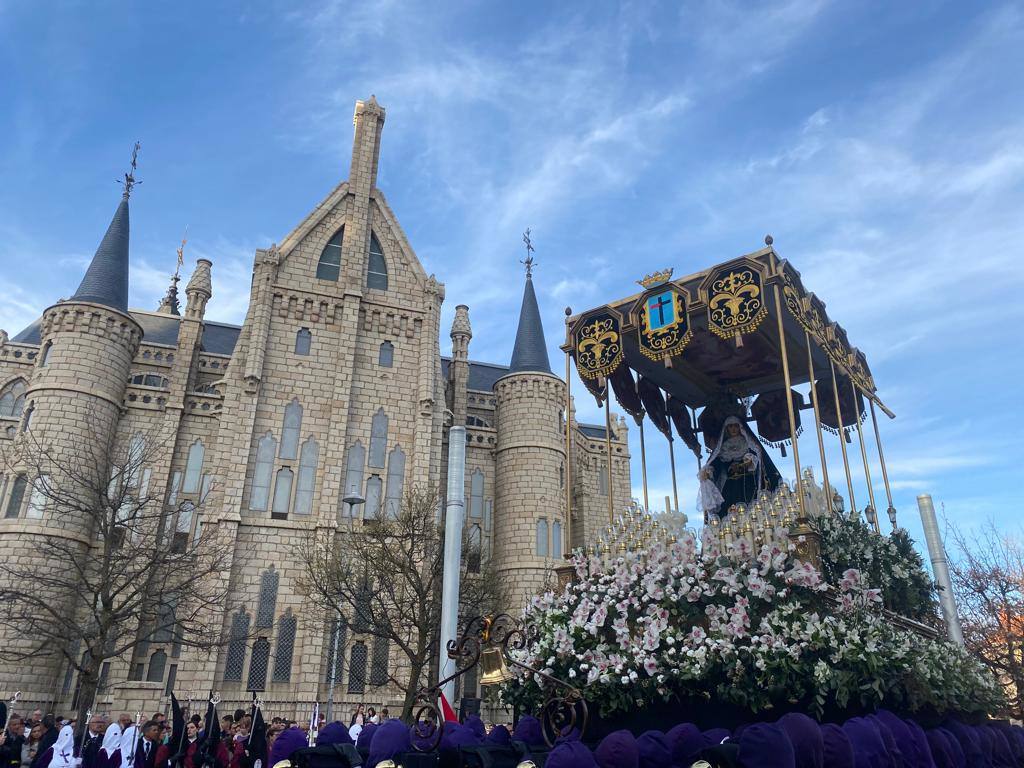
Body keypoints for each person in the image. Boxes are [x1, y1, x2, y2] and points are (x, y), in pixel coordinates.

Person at [698, 415, 781, 518]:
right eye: (730, 426)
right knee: (729, 511)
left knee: (750, 508)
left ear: (740, 427)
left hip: (747, 483)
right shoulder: (722, 448)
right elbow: (716, 465)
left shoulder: (748, 443)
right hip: (730, 485)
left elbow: (756, 457)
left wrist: (746, 463)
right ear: (726, 429)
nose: (733, 429)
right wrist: (708, 471)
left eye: (736, 426)